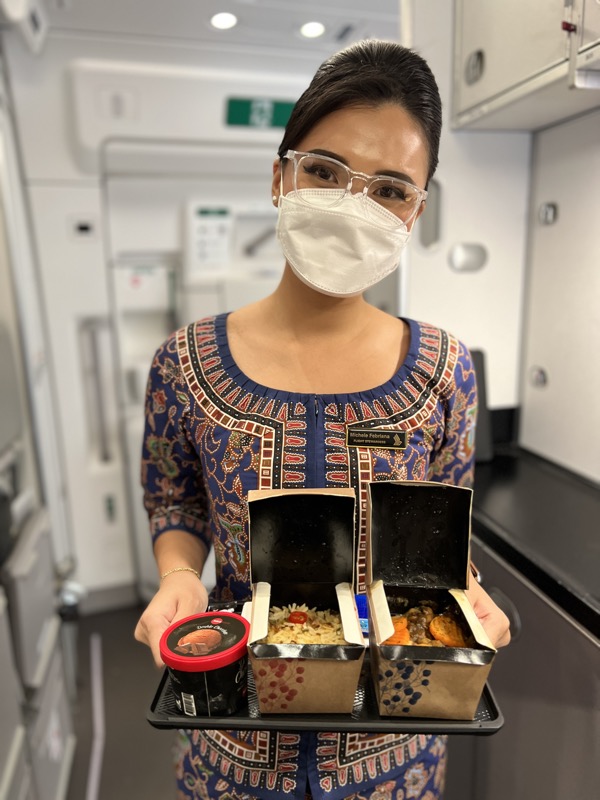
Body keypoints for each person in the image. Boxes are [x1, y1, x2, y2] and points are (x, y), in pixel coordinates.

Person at [135, 39, 511, 800]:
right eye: (327, 171)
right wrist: (179, 576)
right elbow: (175, 502)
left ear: (417, 211)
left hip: (394, 745)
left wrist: (466, 602)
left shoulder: (445, 368)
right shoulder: (185, 361)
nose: (352, 206)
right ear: (281, 176)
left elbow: (443, 533)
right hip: (232, 734)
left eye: (390, 189)